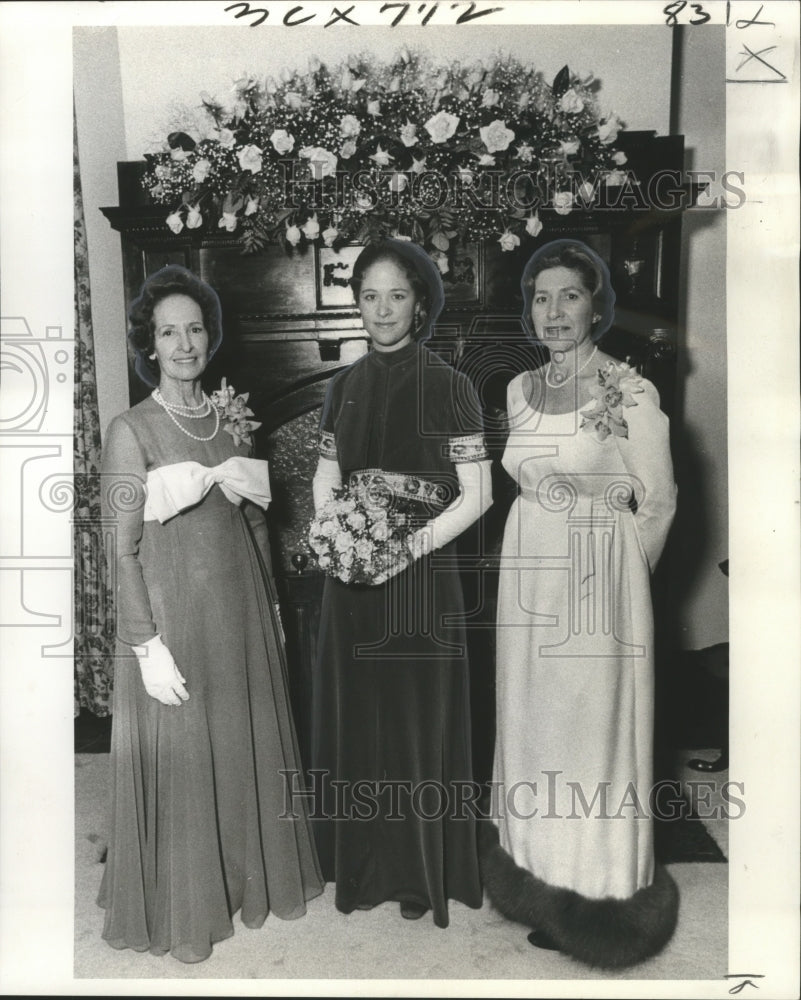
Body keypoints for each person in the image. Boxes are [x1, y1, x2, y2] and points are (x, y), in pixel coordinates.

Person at [98, 265, 323, 963]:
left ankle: (242, 880)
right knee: (185, 752)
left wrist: (274, 611)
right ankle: (188, 905)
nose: (184, 343)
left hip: (237, 605)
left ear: (210, 337)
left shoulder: (231, 418)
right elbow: (120, 548)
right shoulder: (130, 429)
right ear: (149, 344)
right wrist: (145, 645)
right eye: (168, 332)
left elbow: (253, 522)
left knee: (235, 741)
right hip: (172, 616)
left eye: (194, 328)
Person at [480, 240, 679, 968]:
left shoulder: (629, 391)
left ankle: (596, 890)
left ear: (596, 304)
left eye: (569, 295)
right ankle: (533, 873)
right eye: (541, 297)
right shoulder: (517, 388)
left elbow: (657, 502)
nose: (554, 311)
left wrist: (625, 590)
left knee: (589, 735)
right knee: (532, 723)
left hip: (598, 575)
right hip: (528, 570)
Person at [310, 238, 492, 926]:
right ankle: (358, 862)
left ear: (420, 304)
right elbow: (328, 475)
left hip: (421, 573)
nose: (381, 310)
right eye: (368, 295)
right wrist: (336, 536)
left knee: (415, 719)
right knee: (358, 714)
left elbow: (477, 495)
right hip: (351, 576)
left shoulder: (450, 384)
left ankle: (418, 871)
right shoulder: (341, 385)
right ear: (355, 303)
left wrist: (407, 548)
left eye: (396, 295)